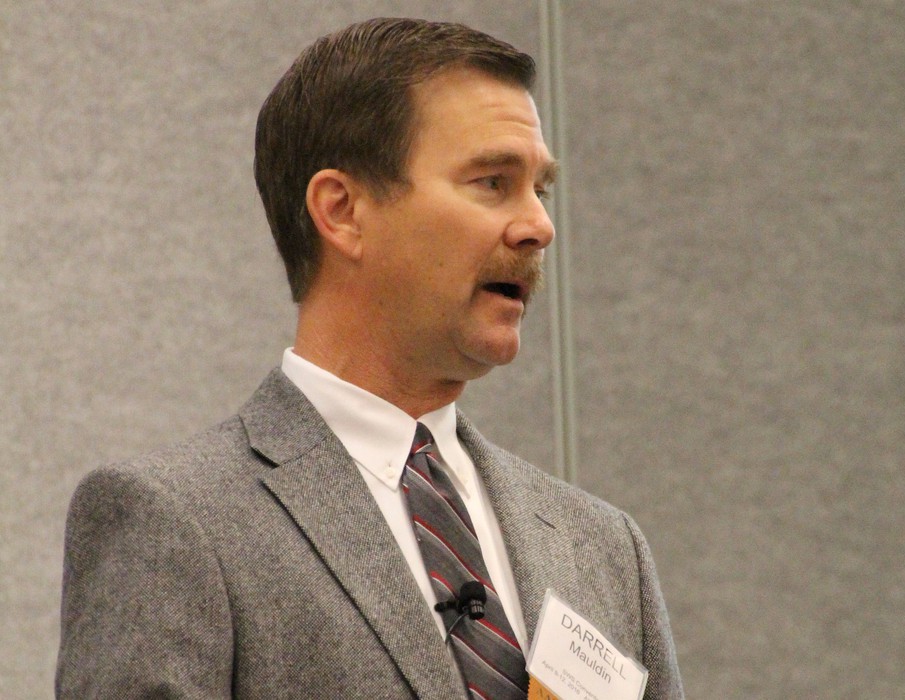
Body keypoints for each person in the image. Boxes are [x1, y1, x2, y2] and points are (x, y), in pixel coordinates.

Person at [56, 17, 684, 700]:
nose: (539, 225)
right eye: (492, 182)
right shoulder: (175, 521)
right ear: (343, 211)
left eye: (542, 189)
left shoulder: (604, 547)